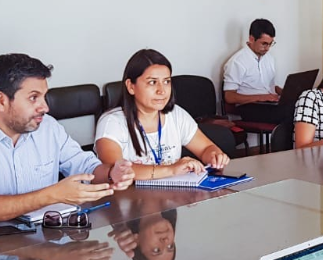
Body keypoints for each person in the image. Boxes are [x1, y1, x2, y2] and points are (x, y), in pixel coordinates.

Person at [0, 54, 135, 226]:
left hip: (33, 242)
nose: (45, 107)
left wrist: (111, 173)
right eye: (33, 98)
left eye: (44, 97)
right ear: (0, 100)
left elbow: (84, 165)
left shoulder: (46, 126)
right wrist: (53, 194)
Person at [95, 49, 230, 180]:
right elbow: (116, 170)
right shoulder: (112, 122)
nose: (162, 90)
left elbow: (206, 148)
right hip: (128, 198)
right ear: (131, 86)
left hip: (172, 197)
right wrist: (171, 169)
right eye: (152, 82)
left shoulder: (176, 114)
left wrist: (215, 155)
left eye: (166, 81)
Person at [222, 18, 286, 124]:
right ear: (252, 39)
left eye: (270, 44)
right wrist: (262, 97)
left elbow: (269, 86)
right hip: (249, 107)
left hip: (268, 104)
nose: (267, 48)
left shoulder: (269, 58)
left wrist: (285, 93)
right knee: (290, 114)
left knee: (299, 107)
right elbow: (229, 97)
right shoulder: (237, 62)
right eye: (264, 44)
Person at [109, 209, 178, 260]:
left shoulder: (119, 210)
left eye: (156, 250)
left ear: (136, 240)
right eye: (170, 246)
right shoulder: (180, 198)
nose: (165, 241)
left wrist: (118, 221)